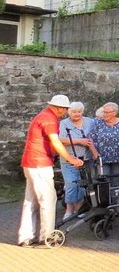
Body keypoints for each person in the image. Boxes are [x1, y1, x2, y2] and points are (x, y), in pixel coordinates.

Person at [18, 95, 84, 247]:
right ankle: (47, 236)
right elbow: (55, 141)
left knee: (31, 201)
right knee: (48, 199)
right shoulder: (49, 118)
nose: (65, 112)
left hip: (31, 162)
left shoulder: (43, 116)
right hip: (40, 163)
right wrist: (70, 158)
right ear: (59, 108)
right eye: (65, 109)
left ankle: (26, 236)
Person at [58, 101, 98, 220]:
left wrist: (95, 152)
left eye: (79, 111)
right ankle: (69, 209)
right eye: (74, 112)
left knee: (82, 185)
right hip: (69, 159)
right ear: (69, 112)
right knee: (71, 184)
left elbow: (92, 137)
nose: (77, 114)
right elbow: (61, 140)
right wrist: (79, 141)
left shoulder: (89, 121)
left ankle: (78, 209)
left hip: (86, 159)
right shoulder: (64, 123)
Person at [89, 102, 119, 177]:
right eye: (104, 112)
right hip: (102, 158)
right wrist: (95, 153)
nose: (105, 114)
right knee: (104, 181)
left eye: (107, 112)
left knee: (116, 181)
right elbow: (90, 139)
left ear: (115, 113)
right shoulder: (98, 123)